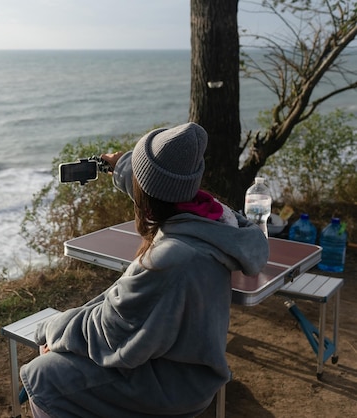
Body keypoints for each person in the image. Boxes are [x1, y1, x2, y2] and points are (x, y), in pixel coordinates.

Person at [20, 122, 269, 418]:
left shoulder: (169, 259)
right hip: (193, 368)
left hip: (169, 387)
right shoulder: (217, 223)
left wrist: (51, 330)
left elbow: (109, 333)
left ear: (147, 198)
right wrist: (124, 166)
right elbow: (162, 189)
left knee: (44, 377)